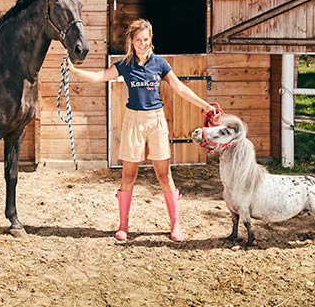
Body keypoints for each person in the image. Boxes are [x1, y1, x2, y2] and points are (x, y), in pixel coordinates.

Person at [67, 18, 217, 242]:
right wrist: (74, 70)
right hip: (133, 121)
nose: (142, 44)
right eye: (138, 40)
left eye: (146, 40)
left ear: (151, 40)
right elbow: (100, 76)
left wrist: (205, 106)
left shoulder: (160, 64)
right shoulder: (125, 65)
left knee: (164, 175)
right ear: (132, 41)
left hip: (156, 121)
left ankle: (176, 225)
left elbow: (180, 88)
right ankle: (123, 225)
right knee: (129, 175)